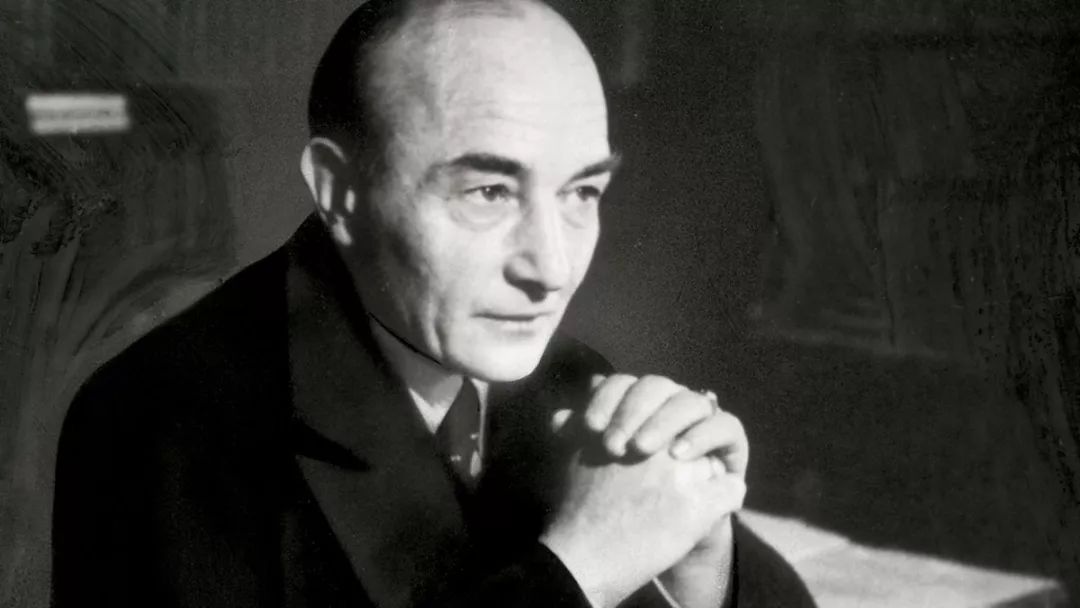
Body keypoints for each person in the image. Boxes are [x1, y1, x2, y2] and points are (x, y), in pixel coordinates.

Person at [51, 1, 815, 606]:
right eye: (488, 192)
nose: (552, 269)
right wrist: (581, 569)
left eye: (581, 192)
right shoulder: (159, 423)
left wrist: (705, 556)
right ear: (340, 193)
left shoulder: (564, 378)